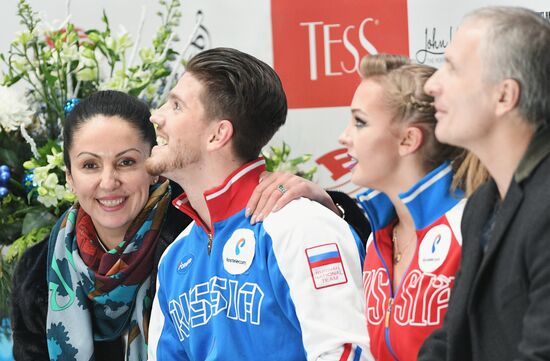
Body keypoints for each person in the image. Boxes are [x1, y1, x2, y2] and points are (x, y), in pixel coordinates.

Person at [246, 54, 488, 361]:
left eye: (359, 122)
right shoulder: (377, 238)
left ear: (408, 140)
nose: (343, 137)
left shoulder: (470, 226)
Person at [145, 47, 372, 360]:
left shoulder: (300, 226)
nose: (156, 116)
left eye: (176, 106)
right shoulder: (175, 257)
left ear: (218, 135)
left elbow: (347, 351)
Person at [10, 90, 193, 361]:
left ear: (154, 167)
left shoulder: (195, 242)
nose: (108, 182)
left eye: (126, 162)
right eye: (90, 165)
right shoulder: (35, 273)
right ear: (70, 178)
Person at [418, 6, 550, 361]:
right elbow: (452, 339)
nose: (432, 84)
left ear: (505, 96)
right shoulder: (482, 204)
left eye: (453, 68)